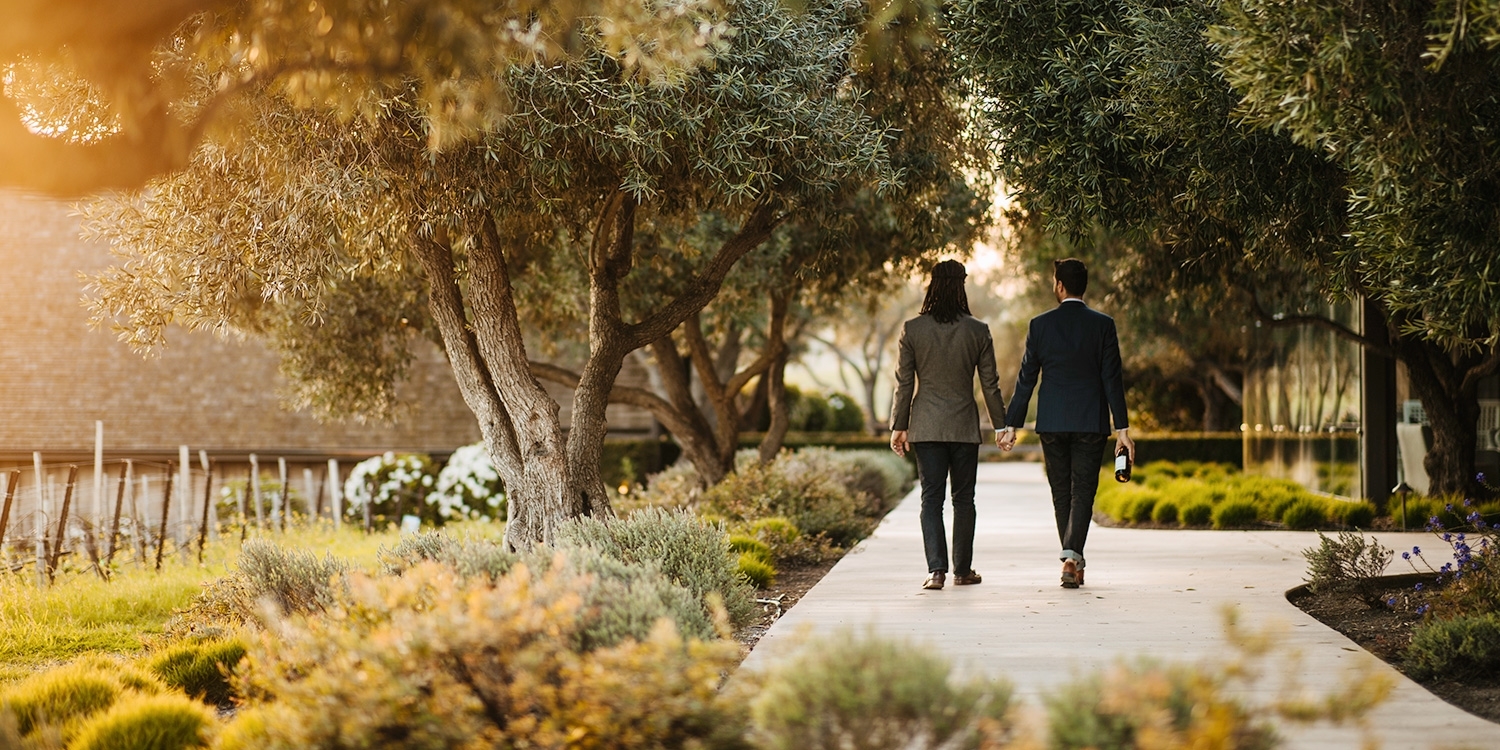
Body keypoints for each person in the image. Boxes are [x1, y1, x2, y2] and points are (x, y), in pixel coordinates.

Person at [999, 258, 1132, 589]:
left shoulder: (1040, 325)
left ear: (1059, 285)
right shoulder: (1103, 325)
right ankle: (1072, 558)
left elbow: (1026, 379)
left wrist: (1011, 423)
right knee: (1082, 491)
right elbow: (1112, 379)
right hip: (1091, 421)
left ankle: (1071, 559)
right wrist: (1123, 429)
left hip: (1053, 421)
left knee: (1061, 492)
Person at [890, 259, 1007, 591]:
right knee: (964, 499)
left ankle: (936, 571)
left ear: (932, 284)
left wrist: (899, 426)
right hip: (964, 428)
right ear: (962, 285)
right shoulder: (977, 330)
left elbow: (904, 384)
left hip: (925, 426)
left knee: (931, 499)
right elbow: (990, 384)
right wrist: (1001, 426)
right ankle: (963, 571)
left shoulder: (913, 329)